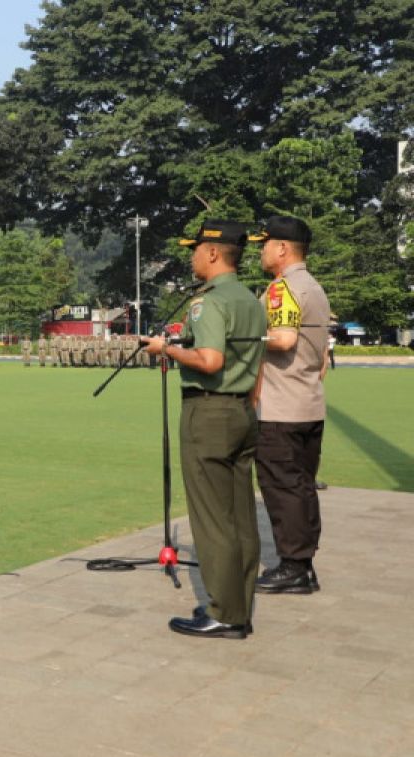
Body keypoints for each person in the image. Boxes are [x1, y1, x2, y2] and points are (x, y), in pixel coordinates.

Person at [141, 219, 267, 639]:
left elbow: (210, 360)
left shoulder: (208, 301)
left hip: (210, 413)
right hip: (243, 411)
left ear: (213, 252)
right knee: (240, 518)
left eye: (195, 249)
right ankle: (237, 606)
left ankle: (223, 612)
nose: (192, 255)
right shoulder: (250, 299)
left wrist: (168, 349)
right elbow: (257, 363)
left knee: (213, 519)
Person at [248, 216, 332, 595]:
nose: (261, 251)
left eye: (265, 244)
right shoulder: (313, 287)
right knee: (300, 487)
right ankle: (302, 565)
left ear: (282, 247)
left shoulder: (283, 289)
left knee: (283, 489)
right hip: (308, 403)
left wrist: (245, 339)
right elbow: (324, 360)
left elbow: (281, 340)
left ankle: (294, 567)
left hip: (281, 408)